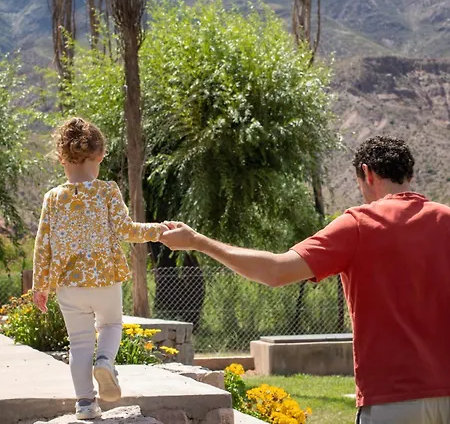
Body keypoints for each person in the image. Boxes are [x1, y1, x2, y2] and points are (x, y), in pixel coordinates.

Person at [160, 136, 450, 424]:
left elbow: (275, 271)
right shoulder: (446, 219)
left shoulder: (359, 225)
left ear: (367, 173)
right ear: (409, 175)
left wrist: (197, 241)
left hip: (392, 400)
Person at [32, 117, 168, 420]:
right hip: (105, 278)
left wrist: (40, 286)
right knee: (110, 326)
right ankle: (105, 361)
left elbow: (43, 246)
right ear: (100, 156)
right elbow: (127, 230)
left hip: (69, 285)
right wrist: (159, 230)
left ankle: (84, 404)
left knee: (79, 343)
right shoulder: (107, 191)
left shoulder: (52, 198)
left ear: (61, 158)